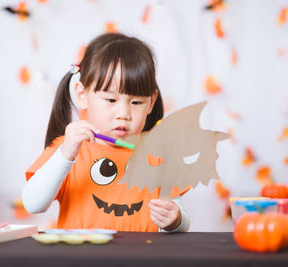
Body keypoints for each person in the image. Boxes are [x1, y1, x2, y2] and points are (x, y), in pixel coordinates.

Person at [22, 33, 190, 232]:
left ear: (151, 102)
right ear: (82, 95)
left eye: (136, 102)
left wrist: (176, 220)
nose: (123, 114)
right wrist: (66, 155)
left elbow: (180, 218)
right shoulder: (67, 148)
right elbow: (33, 205)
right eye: (111, 100)